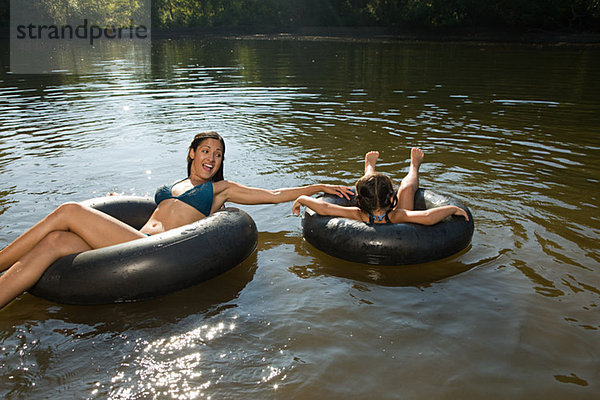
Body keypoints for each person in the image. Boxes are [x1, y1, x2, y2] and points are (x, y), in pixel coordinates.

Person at [0, 131, 352, 310]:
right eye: (206, 151)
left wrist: (319, 185)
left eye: (218, 154)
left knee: (68, 211)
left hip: (147, 249)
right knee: (54, 242)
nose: (212, 158)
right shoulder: (177, 185)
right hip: (133, 236)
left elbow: (274, 195)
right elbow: (155, 211)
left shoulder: (220, 190)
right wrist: (112, 199)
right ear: (191, 153)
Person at [292, 147, 469, 224]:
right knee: (407, 188)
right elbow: (429, 217)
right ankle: (413, 166)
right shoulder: (399, 215)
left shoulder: (357, 214)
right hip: (396, 222)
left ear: (357, 201)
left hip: (368, 212)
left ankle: (369, 169)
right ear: (393, 198)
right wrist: (451, 209)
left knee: (370, 186)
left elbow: (323, 207)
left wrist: (302, 198)